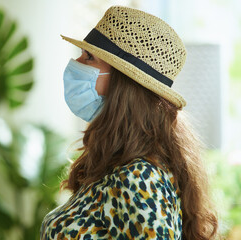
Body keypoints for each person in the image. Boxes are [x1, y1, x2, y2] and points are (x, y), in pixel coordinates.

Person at [40, 5, 219, 240]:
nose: (76, 62)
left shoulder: (140, 176)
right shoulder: (115, 164)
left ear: (123, 84)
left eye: (89, 57)